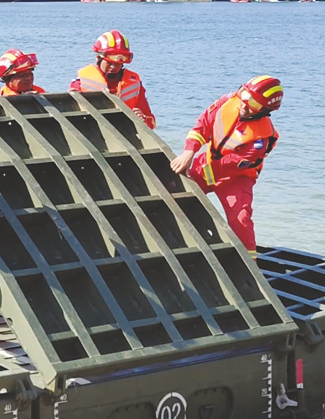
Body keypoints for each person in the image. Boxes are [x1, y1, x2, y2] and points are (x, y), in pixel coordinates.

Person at [170, 76, 283, 255]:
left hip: (236, 178)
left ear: (265, 110)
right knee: (172, 189)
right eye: (244, 96)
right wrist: (189, 152)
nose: (245, 105)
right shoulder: (228, 102)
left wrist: (194, 175)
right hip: (207, 161)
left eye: (253, 103)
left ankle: (248, 264)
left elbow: (227, 166)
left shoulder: (261, 139)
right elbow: (202, 126)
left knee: (241, 220)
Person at [70, 30, 155, 127]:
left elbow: (151, 122)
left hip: (125, 134)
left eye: (118, 64)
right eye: (109, 63)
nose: (113, 67)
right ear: (98, 58)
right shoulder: (81, 81)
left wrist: (142, 119)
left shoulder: (134, 83)